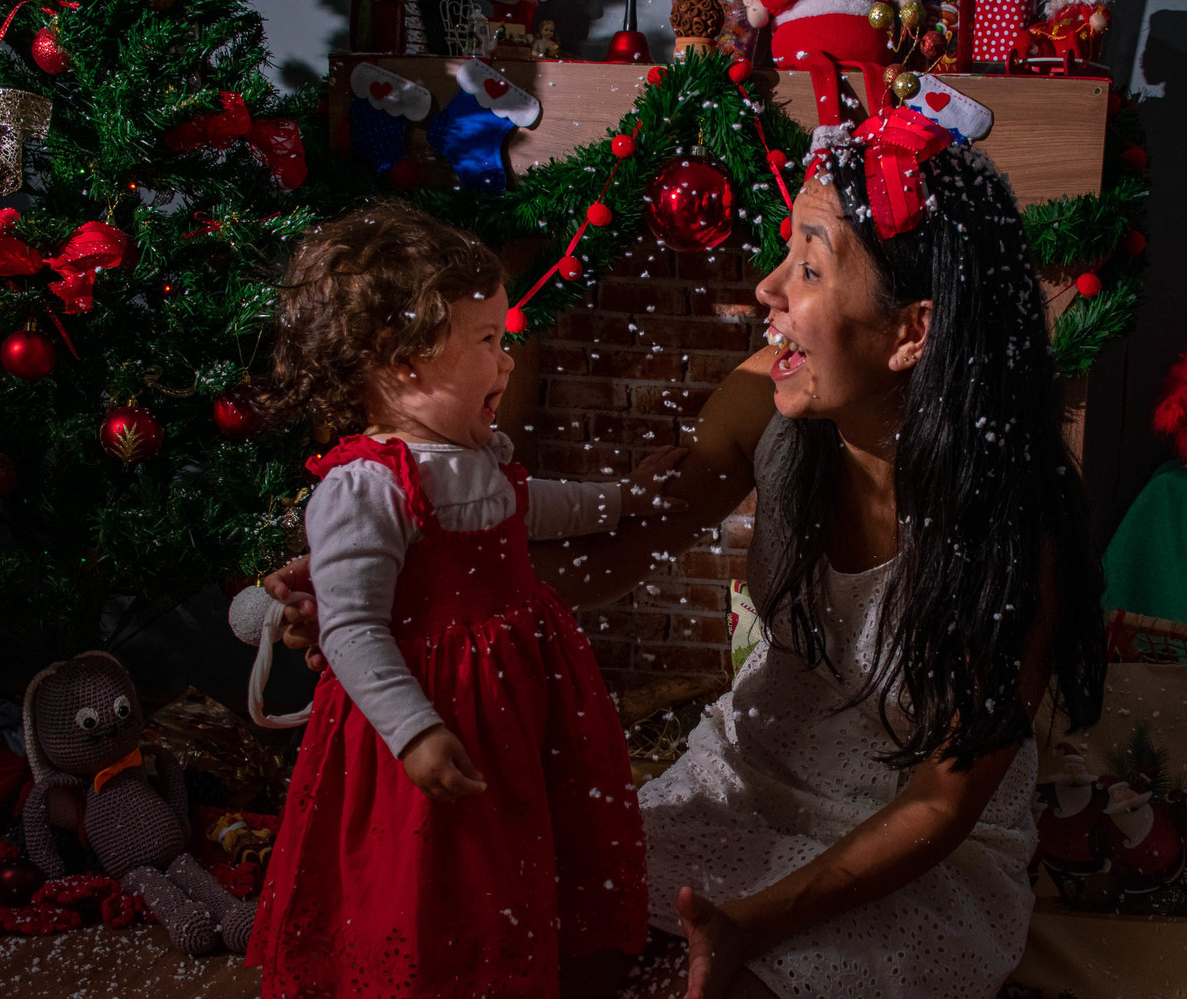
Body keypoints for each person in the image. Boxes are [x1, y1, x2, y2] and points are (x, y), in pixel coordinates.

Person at [264, 109, 1106, 999]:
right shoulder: (761, 402)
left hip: (907, 854)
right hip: (741, 784)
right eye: (784, 252)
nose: (767, 289)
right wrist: (408, 588)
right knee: (512, 937)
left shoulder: (1017, 523)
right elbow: (610, 556)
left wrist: (752, 924)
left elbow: (942, 804)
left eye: (810, 268)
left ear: (910, 331)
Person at [245, 201, 686, 999]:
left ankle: (516, 955)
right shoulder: (364, 485)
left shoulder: (471, 454)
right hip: (432, 706)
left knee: (518, 836)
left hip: (515, 694)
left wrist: (620, 499)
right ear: (404, 363)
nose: (507, 361)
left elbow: (530, 504)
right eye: (487, 341)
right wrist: (415, 730)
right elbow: (349, 626)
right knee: (436, 860)